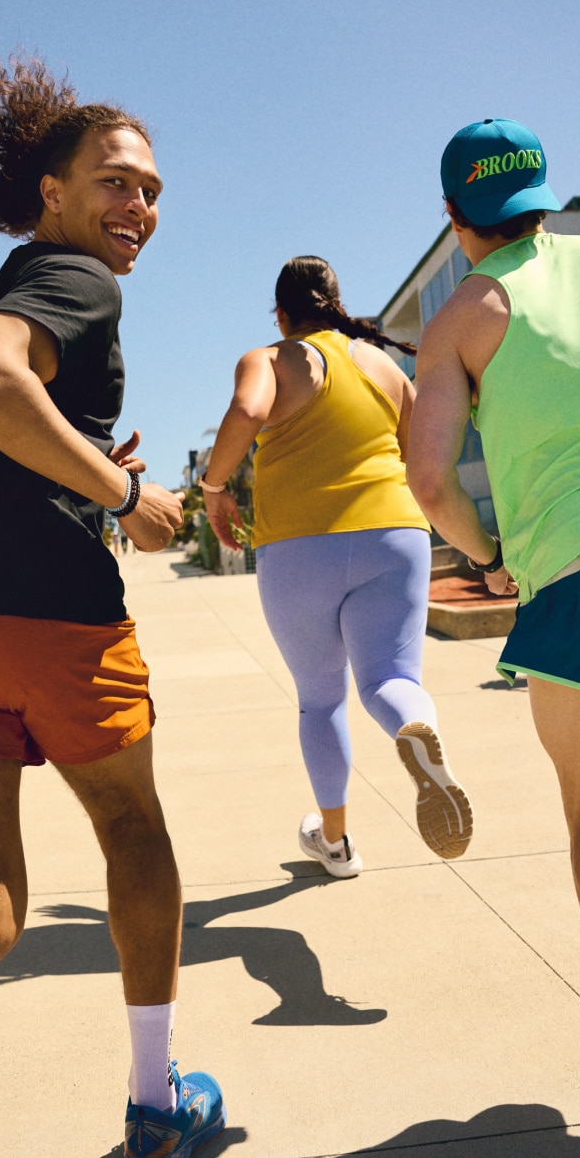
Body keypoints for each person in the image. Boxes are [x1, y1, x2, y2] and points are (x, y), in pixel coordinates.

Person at [0, 55, 225, 1158]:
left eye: (150, 188)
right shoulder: (74, 280)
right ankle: (156, 1104)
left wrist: (80, 460)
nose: (138, 205)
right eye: (115, 181)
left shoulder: (1, 283)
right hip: (50, 618)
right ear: (54, 191)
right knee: (132, 826)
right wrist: (129, 491)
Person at [406, 116, 580, 1157]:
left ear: (454, 215)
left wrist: (486, 555)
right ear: (544, 193)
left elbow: (430, 479)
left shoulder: (465, 313)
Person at [200, 255, 472, 878]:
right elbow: (422, 459)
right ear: (337, 304)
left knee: (321, 698)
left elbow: (246, 413)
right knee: (389, 680)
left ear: (281, 313)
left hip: (301, 546)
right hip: (395, 534)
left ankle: (338, 843)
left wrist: (216, 489)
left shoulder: (270, 359)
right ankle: (415, 725)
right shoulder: (382, 365)